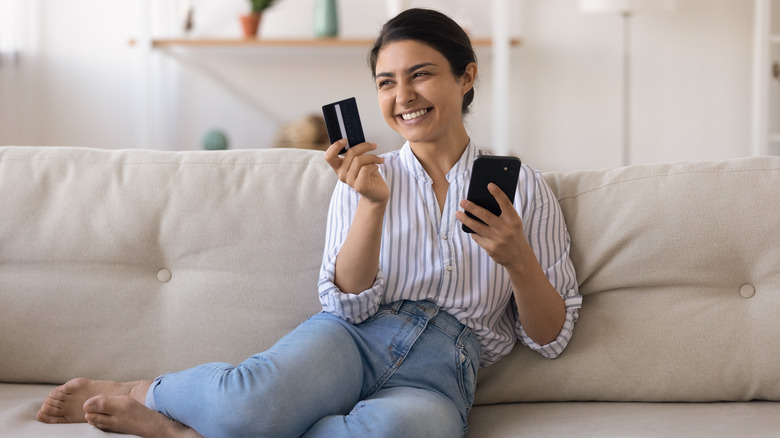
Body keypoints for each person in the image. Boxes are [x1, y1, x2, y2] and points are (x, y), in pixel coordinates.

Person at [37, 8, 582, 438]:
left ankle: (197, 435)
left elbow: (551, 338)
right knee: (250, 403)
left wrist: (517, 260)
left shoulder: (523, 188)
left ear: (466, 78)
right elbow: (344, 303)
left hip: (443, 370)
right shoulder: (365, 175)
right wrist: (371, 205)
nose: (403, 96)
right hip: (352, 339)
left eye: (421, 75)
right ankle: (146, 392)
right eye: (386, 82)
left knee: (401, 432)